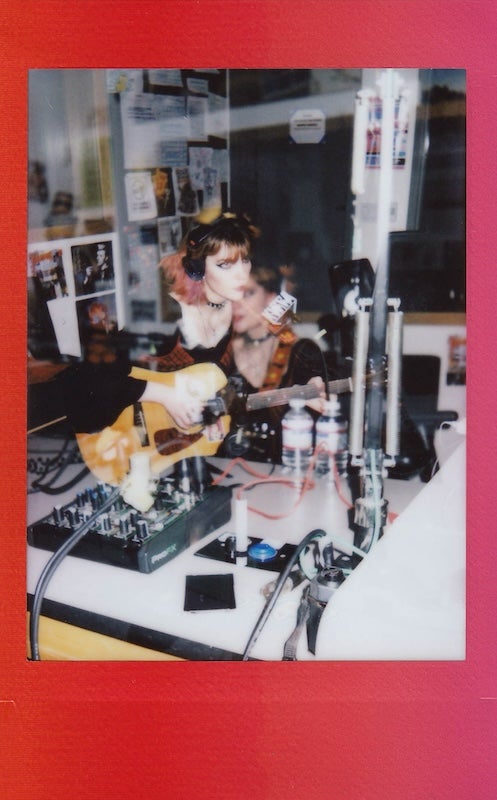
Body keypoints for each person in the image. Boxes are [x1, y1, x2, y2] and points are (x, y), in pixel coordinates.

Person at [60, 212, 256, 439]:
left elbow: (241, 383)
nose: (243, 274)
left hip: (184, 449)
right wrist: (164, 395)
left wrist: (216, 413)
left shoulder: (244, 316)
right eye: (225, 265)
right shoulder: (162, 319)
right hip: (127, 446)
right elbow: (86, 379)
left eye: (245, 260)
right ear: (197, 268)